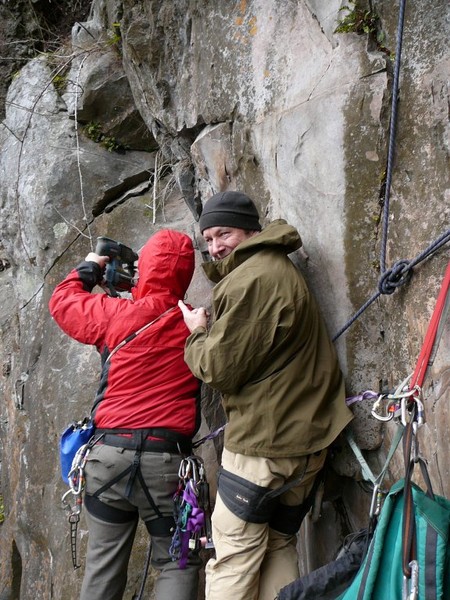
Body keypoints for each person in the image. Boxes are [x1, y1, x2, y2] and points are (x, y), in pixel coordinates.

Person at [178, 191, 354, 600]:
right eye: (208, 239)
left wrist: (197, 333)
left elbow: (218, 367)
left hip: (265, 442)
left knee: (233, 555)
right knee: (278, 544)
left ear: (251, 230)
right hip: (307, 442)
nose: (216, 245)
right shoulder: (278, 267)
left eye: (225, 233)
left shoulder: (253, 278)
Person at [49, 229, 202, 600]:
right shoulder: (196, 324)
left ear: (144, 267)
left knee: (103, 565)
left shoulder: (116, 314)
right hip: (166, 463)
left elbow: (63, 303)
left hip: (107, 458)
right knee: (177, 561)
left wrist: (90, 267)